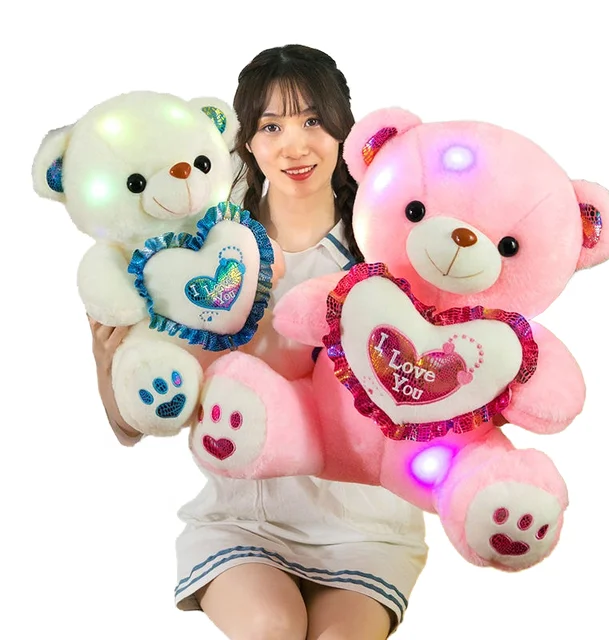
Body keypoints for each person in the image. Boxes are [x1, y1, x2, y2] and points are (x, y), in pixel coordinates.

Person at [89, 44, 428, 639]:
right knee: (271, 627)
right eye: (271, 126)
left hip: (365, 528)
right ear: (245, 141)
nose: (294, 146)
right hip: (242, 518)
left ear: (343, 129)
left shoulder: (386, 254)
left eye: (312, 121)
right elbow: (130, 428)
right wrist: (106, 357)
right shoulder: (204, 254)